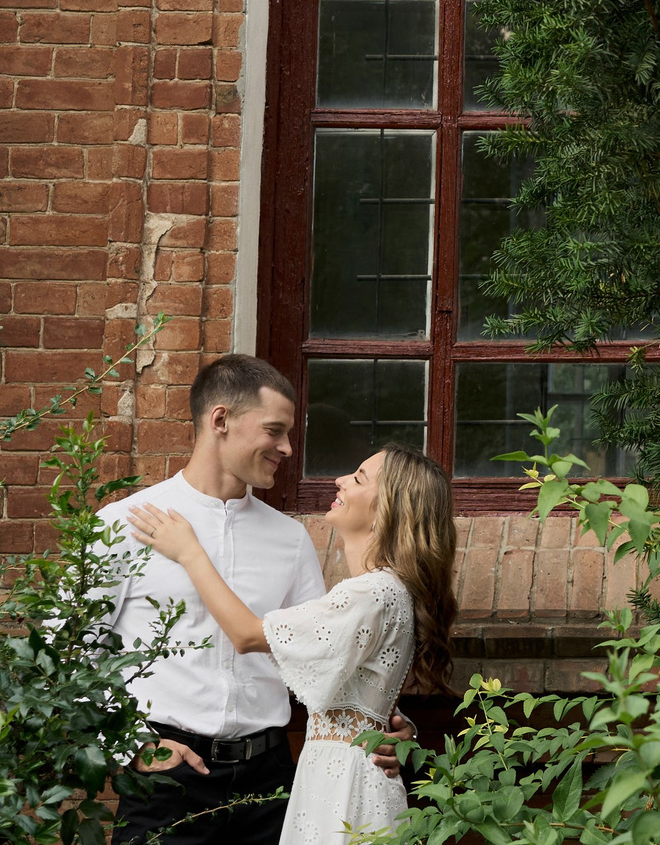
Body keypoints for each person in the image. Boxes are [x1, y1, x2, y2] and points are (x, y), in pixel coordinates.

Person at [97, 356, 413, 844]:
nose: (287, 447)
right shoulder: (126, 523)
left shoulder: (289, 539)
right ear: (220, 420)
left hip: (272, 787)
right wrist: (128, 746)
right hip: (167, 781)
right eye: (275, 430)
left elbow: (326, 663)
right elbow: (70, 652)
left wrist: (385, 723)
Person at [127, 443, 459, 845]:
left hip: (341, 785)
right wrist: (386, 720)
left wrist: (189, 552)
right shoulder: (387, 591)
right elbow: (351, 676)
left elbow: (249, 634)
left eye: (358, 478)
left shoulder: (370, 593)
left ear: (387, 509)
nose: (339, 479)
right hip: (339, 775)